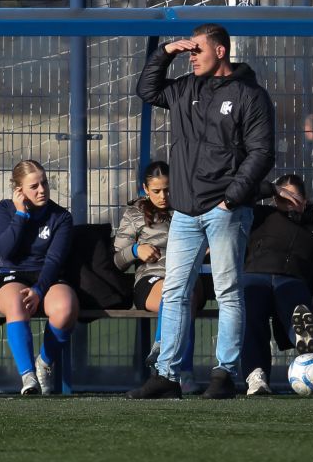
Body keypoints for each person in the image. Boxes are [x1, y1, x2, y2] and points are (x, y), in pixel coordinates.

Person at [130, 23, 276, 400]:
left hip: (225, 211)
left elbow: (262, 153)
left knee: (227, 291)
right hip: (185, 212)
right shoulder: (185, 89)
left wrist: (232, 198)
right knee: (175, 290)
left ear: (221, 51)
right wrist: (166, 52)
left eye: (197, 50)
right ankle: (167, 375)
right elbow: (146, 89)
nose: (191, 57)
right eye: (189, 51)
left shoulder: (250, 95)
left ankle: (224, 373)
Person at [241, 174, 313, 396]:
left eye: (295, 197)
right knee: (251, 311)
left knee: (296, 305)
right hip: (256, 274)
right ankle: (256, 375)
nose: (289, 203)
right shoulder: (261, 215)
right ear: (276, 199)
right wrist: (271, 189)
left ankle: (304, 342)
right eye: (284, 198)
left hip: (293, 278)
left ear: (305, 199)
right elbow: (241, 195)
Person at [0, 159, 77, 395]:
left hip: (46, 276)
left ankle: (44, 363)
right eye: (34, 186)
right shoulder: (4, 209)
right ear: (18, 190)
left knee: (66, 307)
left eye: (44, 183)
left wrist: (39, 290)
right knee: (16, 302)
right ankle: (28, 376)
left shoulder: (61, 217)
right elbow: (4, 251)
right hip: (10, 274)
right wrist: (21, 214)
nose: (42, 190)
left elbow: (54, 260)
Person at [113, 160, 196, 393]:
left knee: (185, 292)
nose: (163, 196)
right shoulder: (134, 214)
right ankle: (173, 362)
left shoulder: (188, 209)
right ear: (145, 189)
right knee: (175, 295)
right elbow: (116, 261)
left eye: (167, 190)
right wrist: (135, 250)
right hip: (151, 279)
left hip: (186, 277)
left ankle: (168, 356)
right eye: (156, 191)